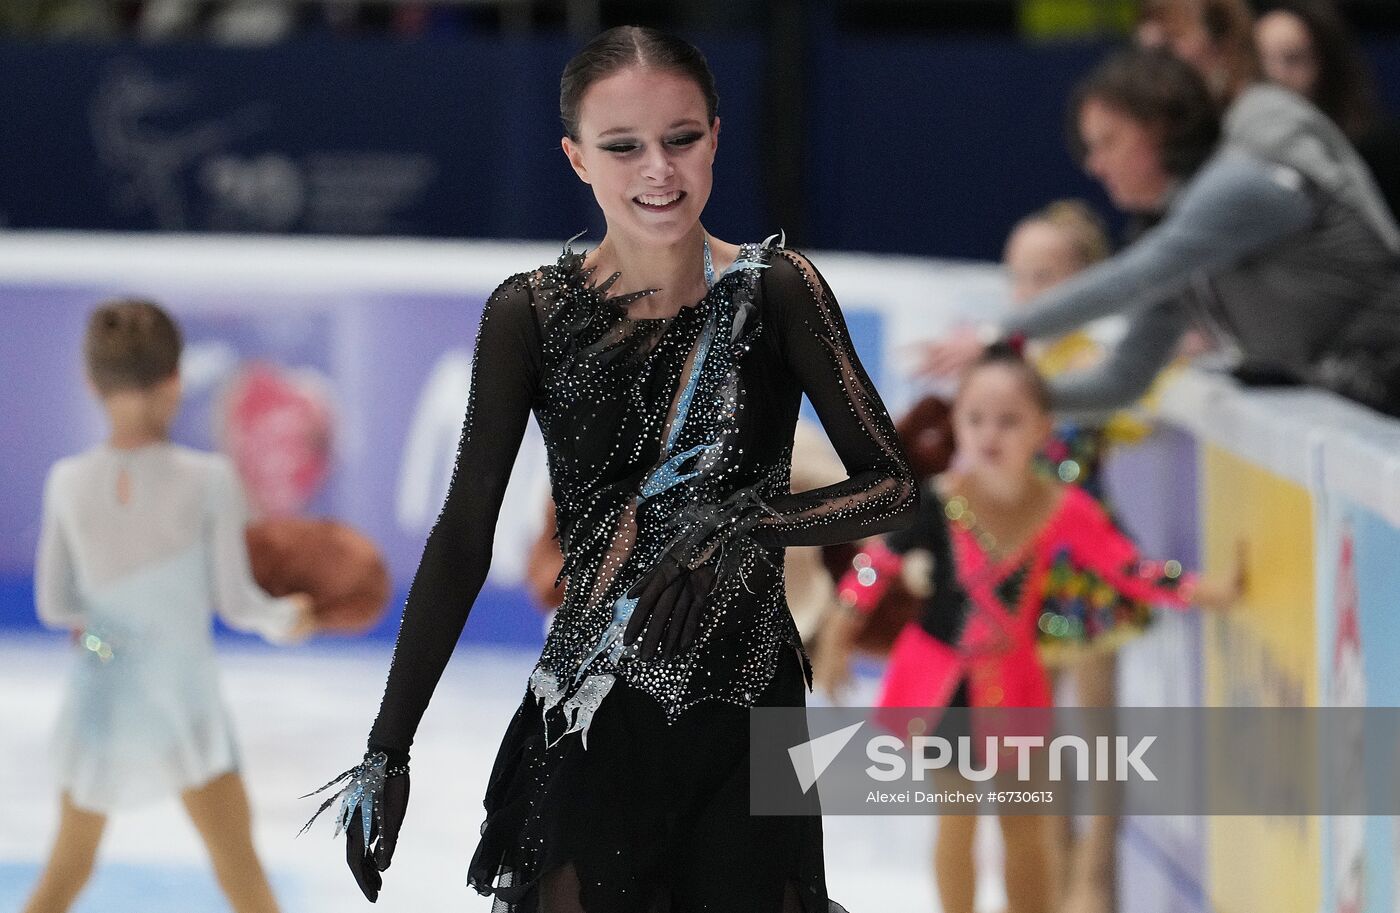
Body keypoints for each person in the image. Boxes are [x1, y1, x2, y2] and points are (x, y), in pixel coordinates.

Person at [304, 25, 918, 913]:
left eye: (679, 139)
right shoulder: (529, 314)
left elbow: (893, 483)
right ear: (576, 158)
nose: (656, 170)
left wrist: (746, 522)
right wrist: (386, 747)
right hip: (592, 709)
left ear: (714, 136)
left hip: (754, 717)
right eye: (622, 146)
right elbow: (466, 531)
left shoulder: (780, 289)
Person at [882, 345, 1242, 913]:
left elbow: (1128, 569)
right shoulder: (939, 500)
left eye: (1009, 420)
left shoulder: (1063, 508)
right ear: (955, 423)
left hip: (1015, 685)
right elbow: (878, 563)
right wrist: (838, 626)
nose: (989, 434)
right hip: (943, 685)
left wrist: (1201, 590)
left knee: (1024, 822)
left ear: (1042, 430)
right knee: (956, 818)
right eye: (975, 419)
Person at [23, 299, 316, 913]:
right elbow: (239, 605)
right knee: (244, 881)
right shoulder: (209, 479)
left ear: (91, 383)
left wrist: (104, 641)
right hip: (186, 709)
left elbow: (55, 607)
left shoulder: (67, 481)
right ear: (175, 382)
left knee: (63, 878)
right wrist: (290, 618)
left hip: (100, 705)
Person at [916, 48, 1400, 418]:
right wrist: (1015, 400)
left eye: (1108, 141)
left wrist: (995, 334)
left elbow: (1132, 277)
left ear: (1162, 126)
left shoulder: (1236, 184)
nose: (1095, 166)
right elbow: (1123, 380)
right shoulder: (1188, 248)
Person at [1255, 0, 1400, 220]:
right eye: (1261, 60)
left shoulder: (1374, 144)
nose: (1276, 74)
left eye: (1293, 59)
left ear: (1326, 66)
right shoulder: (1239, 146)